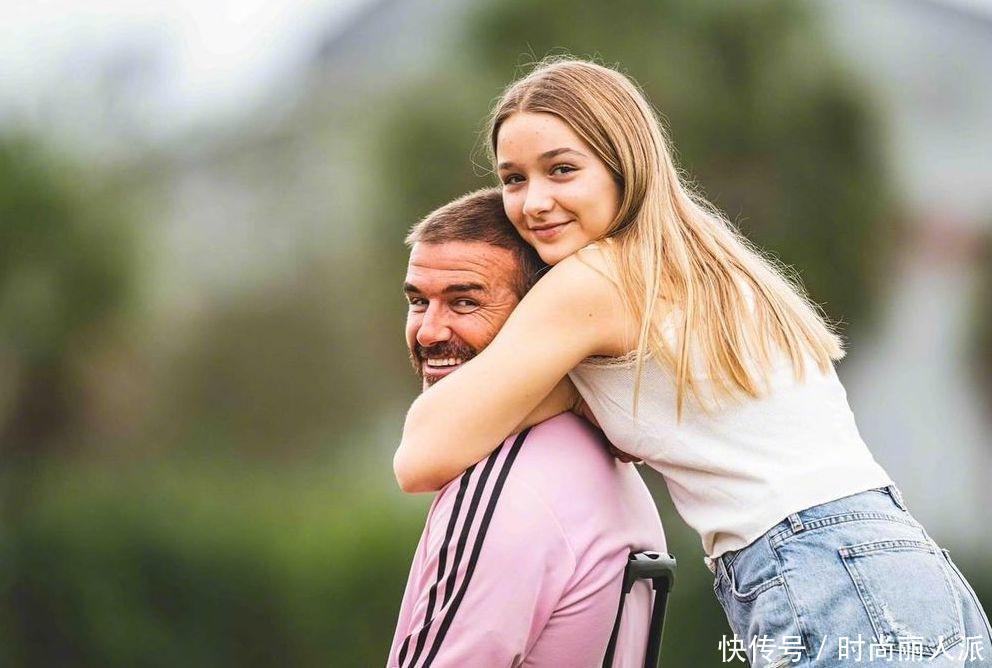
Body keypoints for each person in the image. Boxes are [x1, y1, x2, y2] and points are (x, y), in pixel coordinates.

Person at [394, 58, 992, 666]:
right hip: (904, 567)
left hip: (821, 576)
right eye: (514, 179)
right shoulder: (703, 263)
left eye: (562, 170)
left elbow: (422, 454)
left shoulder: (597, 278)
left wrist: (554, 388)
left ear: (623, 166)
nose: (535, 202)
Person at [387, 188, 667, 668]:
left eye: (464, 302)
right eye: (418, 301)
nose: (429, 332)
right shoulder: (598, 458)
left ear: (537, 314)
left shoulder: (507, 487)